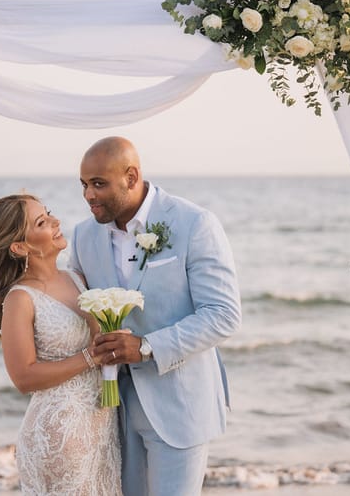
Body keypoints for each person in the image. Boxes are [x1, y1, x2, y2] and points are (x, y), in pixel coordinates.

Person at [68, 136, 243, 495]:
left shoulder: (195, 224)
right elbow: (77, 307)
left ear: (131, 177)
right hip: (110, 413)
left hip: (179, 406)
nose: (88, 195)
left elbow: (223, 314)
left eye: (99, 184)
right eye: (84, 185)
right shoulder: (83, 236)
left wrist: (147, 346)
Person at [0, 194, 121, 495]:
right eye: (41, 222)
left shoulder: (77, 278)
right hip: (58, 437)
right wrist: (90, 358)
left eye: (49, 214)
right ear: (19, 247)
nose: (55, 222)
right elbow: (24, 377)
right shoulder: (20, 299)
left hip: (100, 428)